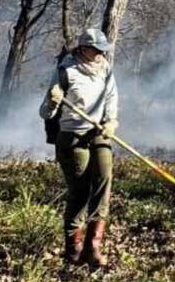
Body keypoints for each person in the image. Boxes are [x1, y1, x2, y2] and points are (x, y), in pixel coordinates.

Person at [39, 28, 118, 268]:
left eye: (102, 50)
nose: (100, 55)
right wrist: (53, 101)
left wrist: (112, 121)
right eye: (96, 50)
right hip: (72, 136)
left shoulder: (105, 68)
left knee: (104, 182)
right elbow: (45, 112)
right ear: (83, 48)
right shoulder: (66, 71)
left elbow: (112, 98)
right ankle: (73, 251)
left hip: (99, 133)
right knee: (81, 192)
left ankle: (93, 247)